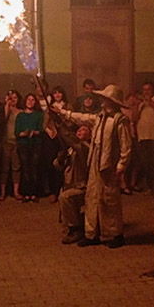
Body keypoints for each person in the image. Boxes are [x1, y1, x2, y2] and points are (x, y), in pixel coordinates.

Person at [53, 84, 133, 249]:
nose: (102, 101)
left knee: (109, 201)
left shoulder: (120, 120)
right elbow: (81, 117)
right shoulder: (100, 117)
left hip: (109, 166)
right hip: (95, 164)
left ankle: (115, 235)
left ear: (113, 102)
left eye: (106, 99)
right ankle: (92, 233)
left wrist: (121, 165)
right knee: (92, 199)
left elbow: (126, 146)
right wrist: (63, 113)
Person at [57, 125, 91, 244]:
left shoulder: (85, 148)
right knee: (64, 196)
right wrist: (60, 160)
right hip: (70, 185)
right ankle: (73, 225)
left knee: (65, 197)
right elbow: (59, 167)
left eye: (84, 130)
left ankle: (75, 229)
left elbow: (72, 140)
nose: (80, 131)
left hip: (83, 186)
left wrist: (60, 125)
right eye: (79, 130)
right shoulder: (71, 149)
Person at [15, 94, 44, 202]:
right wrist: (24, 133)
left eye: (33, 100)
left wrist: (34, 132)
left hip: (36, 144)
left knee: (34, 168)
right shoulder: (20, 116)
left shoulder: (39, 115)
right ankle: (26, 193)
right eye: (28, 99)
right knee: (25, 168)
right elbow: (17, 132)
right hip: (23, 144)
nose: (30, 102)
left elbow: (41, 130)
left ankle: (34, 193)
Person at [0, 90, 21, 201]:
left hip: (17, 142)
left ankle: (16, 191)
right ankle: (2, 192)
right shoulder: (4, 109)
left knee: (16, 167)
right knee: (4, 167)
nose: (13, 100)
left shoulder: (20, 112)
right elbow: (4, 117)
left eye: (15, 98)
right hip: (6, 142)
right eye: (11, 98)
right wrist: (7, 104)